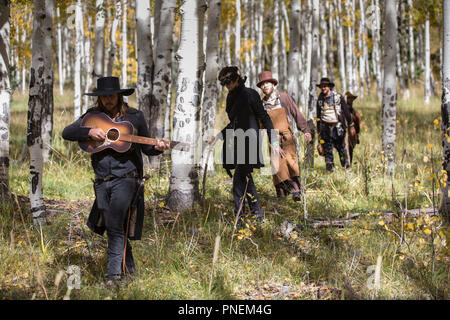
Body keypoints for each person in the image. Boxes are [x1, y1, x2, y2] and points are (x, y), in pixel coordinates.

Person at [62, 76, 169, 286]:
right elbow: (67, 132)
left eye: (112, 95)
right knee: (115, 226)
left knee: (114, 224)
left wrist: (157, 147)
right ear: (99, 98)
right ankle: (129, 272)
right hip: (102, 180)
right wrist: (88, 131)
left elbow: (147, 147)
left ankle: (113, 278)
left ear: (119, 95)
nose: (108, 100)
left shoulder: (135, 117)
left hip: (127, 178)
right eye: (104, 97)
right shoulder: (92, 117)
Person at [211, 66, 280, 223]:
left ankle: (239, 218)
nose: (227, 86)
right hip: (237, 143)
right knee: (246, 179)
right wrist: (219, 136)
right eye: (224, 83)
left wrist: (274, 141)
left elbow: (265, 117)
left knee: (238, 181)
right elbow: (234, 123)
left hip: (251, 141)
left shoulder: (250, 94)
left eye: (229, 82)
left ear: (237, 79)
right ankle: (257, 215)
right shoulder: (230, 98)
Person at [256, 71, 312, 201]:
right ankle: (282, 196)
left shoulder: (284, 98)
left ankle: (297, 191)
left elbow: (296, 113)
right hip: (272, 139)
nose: (265, 86)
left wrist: (306, 130)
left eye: (267, 83)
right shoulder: (261, 104)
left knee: (291, 163)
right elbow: (261, 126)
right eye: (262, 84)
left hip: (287, 137)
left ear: (273, 84)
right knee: (278, 167)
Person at [315, 77, 355, 172]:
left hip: (337, 127)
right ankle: (331, 173)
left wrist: (350, 124)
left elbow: (346, 111)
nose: (323, 88)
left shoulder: (338, 97)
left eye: (325, 86)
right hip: (325, 128)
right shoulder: (320, 99)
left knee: (341, 149)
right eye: (322, 86)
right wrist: (319, 131)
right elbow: (318, 116)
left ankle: (346, 168)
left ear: (329, 87)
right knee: (328, 151)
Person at [344, 92, 361, 164]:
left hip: (351, 133)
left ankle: (349, 164)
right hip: (344, 132)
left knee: (350, 149)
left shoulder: (354, 112)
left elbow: (357, 124)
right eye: (349, 98)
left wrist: (357, 135)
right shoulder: (342, 110)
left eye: (351, 99)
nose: (350, 100)